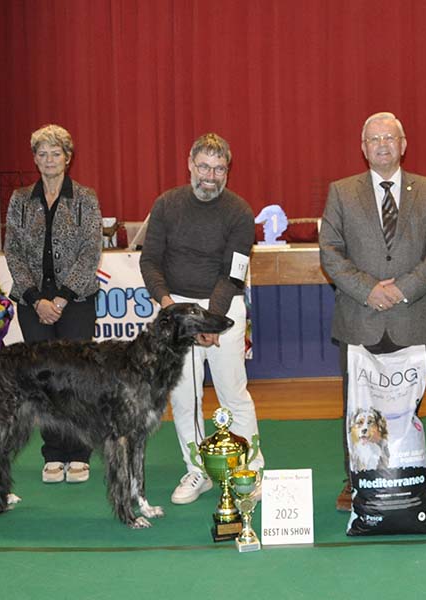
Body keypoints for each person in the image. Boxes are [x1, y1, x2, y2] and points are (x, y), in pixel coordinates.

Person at [319, 112, 426, 511]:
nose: (382, 144)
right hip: (359, 318)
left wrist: (401, 290)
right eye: (373, 139)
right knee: (357, 406)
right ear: (363, 148)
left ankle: (405, 474)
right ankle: (356, 479)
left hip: (411, 317)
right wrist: (368, 290)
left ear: (403, 144)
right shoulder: (342, 192)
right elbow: (330, 250)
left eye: (389, 138)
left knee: (407, 408)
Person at [140, 133, 263, 505]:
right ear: (190, 164)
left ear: (228, 171)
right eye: (204, 167)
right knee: (183, 396)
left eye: (219, 168)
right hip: (175, 310)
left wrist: (210, 321)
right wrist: (168, 308)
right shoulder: (166, 205)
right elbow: (150, 261)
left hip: (223, 309)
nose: (211, 176)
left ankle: (251, 471)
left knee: (232, 393)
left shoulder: (240, 211)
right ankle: (197, 470)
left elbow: (235, 272)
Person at [4, 124, 102, 485]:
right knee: (44, 379)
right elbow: (12, 251)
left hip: (75, 301)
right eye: (42, 154)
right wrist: (35, 298)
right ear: (35, 159)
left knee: (75, 378)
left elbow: (91, 252)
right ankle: (53, 453)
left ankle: (78, 453)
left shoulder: (86, 198)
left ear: (68, 158)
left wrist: (60, 297)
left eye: (55, 153)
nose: (48, 160)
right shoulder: (19, 200)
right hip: (33, 304)